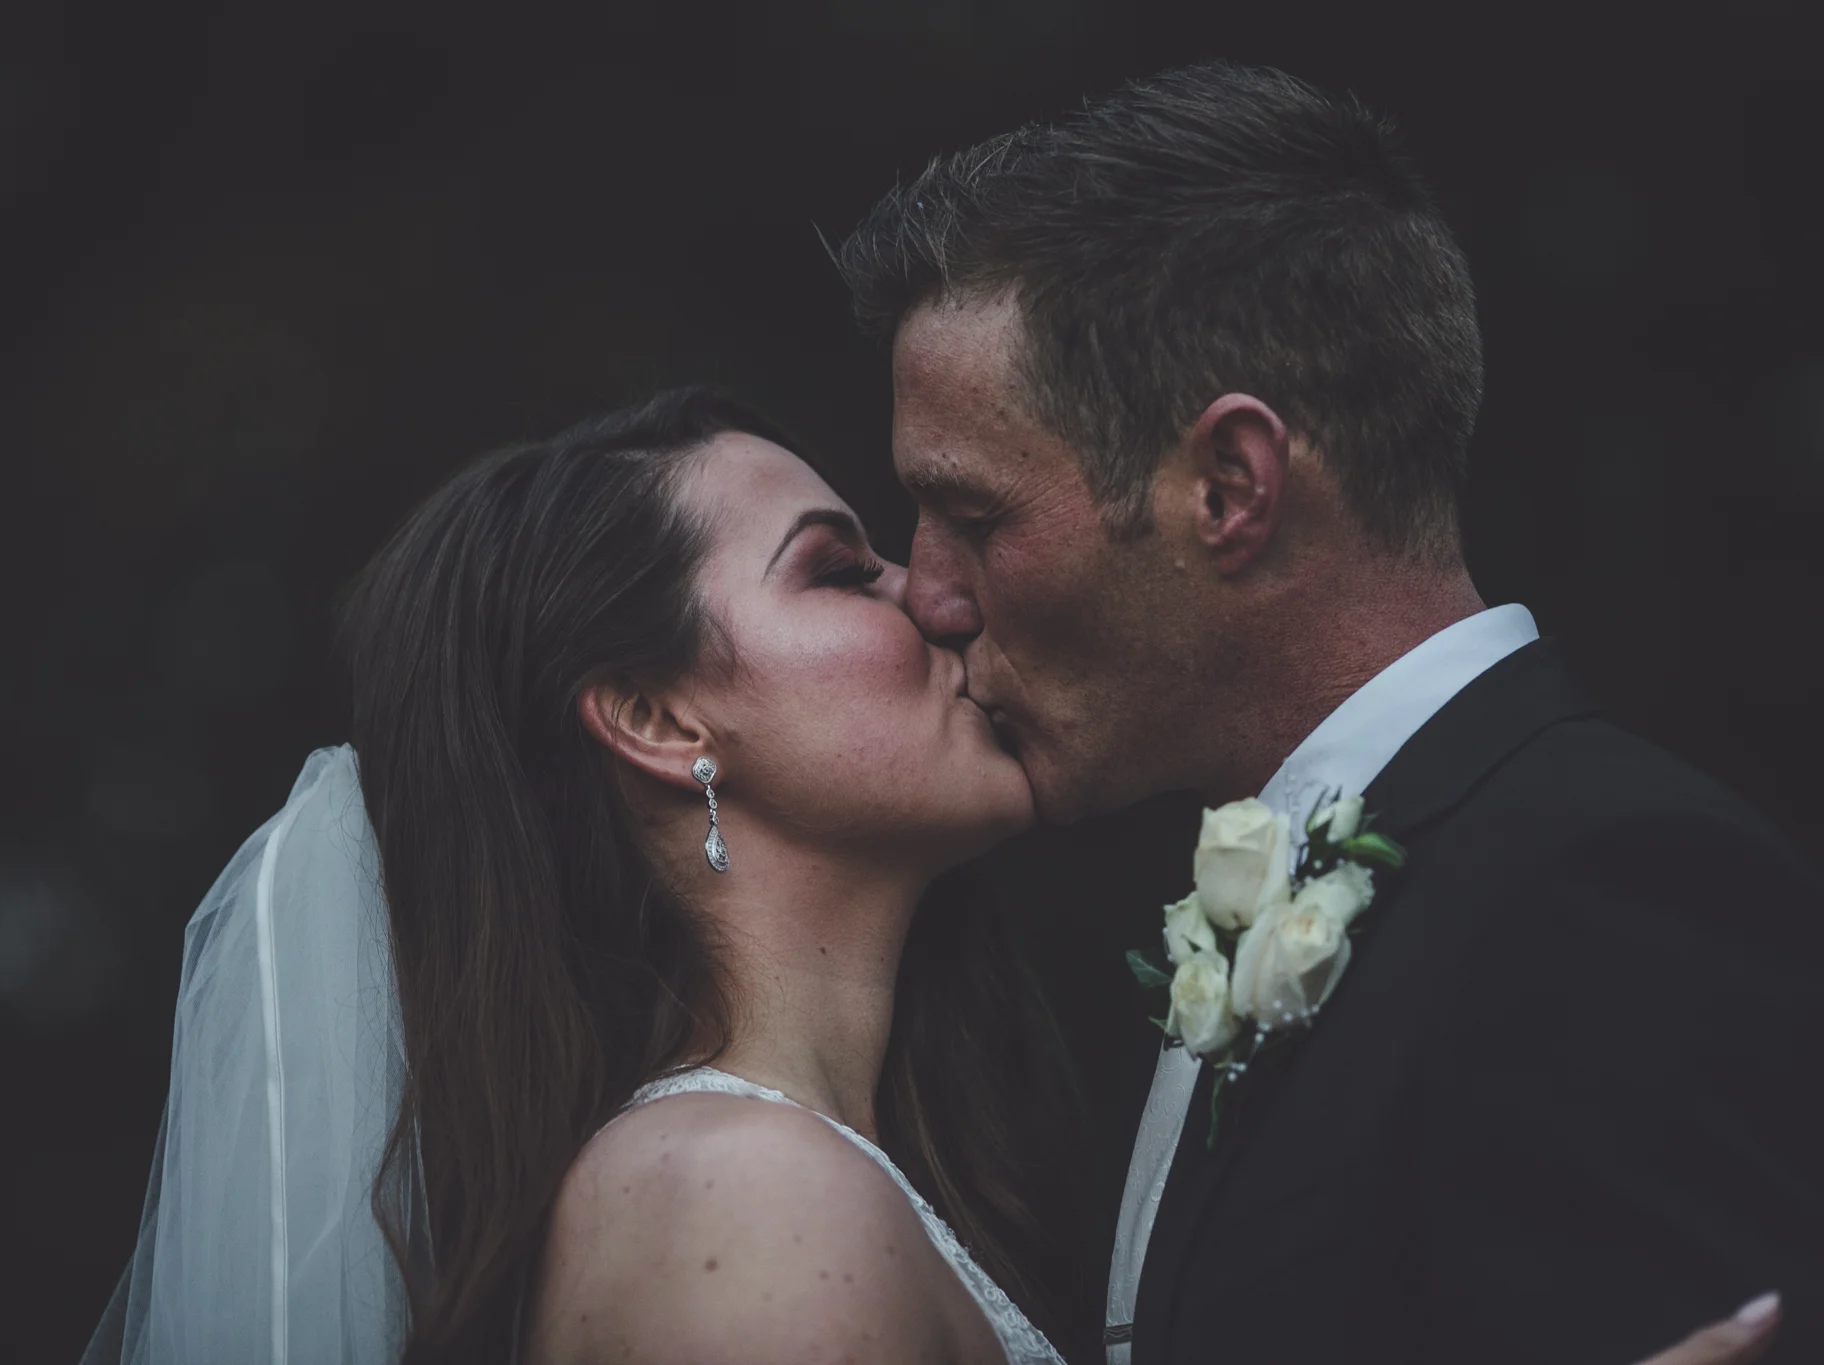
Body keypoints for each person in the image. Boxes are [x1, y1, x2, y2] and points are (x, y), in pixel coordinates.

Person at [833, 60, 1823, 1365]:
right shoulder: (1280, 898)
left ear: (1231, 489)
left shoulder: (1606, 891)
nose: (934, 597)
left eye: (977, 517)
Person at [87, 388, 1092, 1364]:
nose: (926, 593)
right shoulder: (745, 1204)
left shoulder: (798, 1180)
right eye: (834, 569)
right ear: (657, 722)